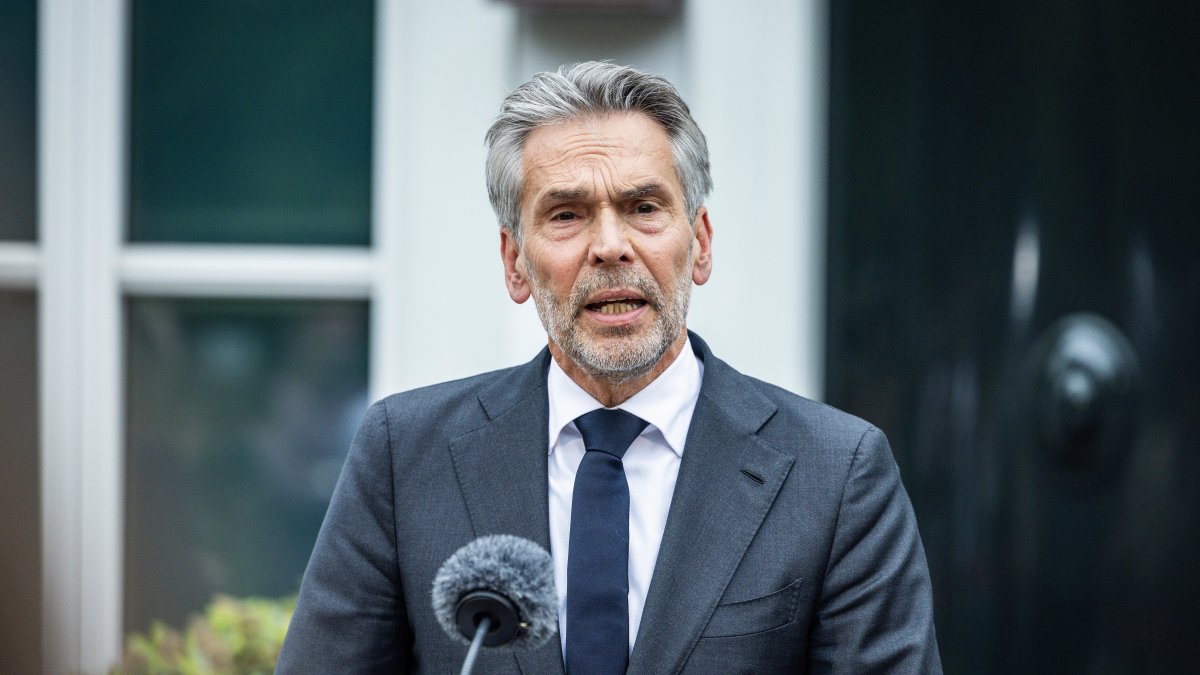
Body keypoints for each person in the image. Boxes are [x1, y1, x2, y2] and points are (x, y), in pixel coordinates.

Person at [277, 61, 941, 673]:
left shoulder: (837, 472)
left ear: (700, 243)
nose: (610, 246)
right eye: (566, 214)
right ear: (514, 262)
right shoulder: (405, 453)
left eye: (643, 207)